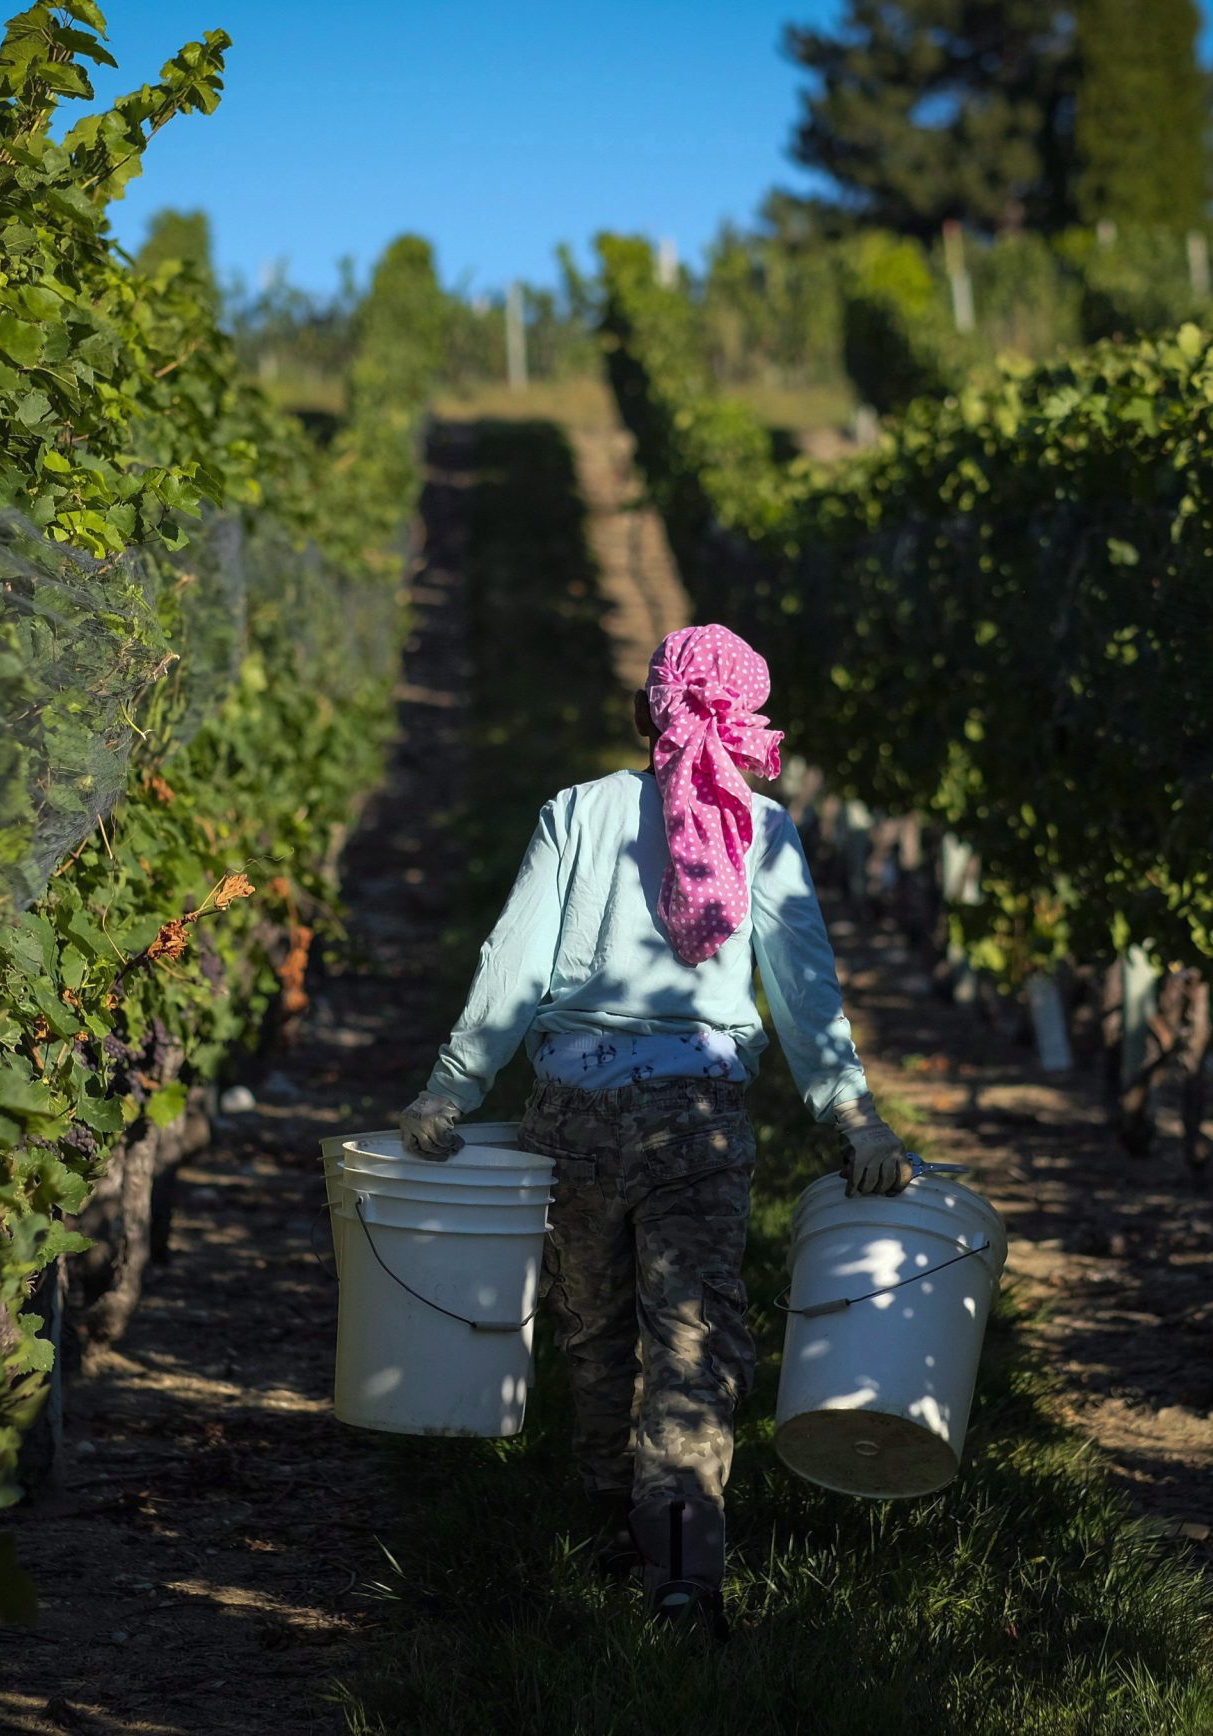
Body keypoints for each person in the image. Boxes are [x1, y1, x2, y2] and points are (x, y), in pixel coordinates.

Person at [396, 623, 907, 1637]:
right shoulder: (760, 829)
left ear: (646, 711)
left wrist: (450, 1086)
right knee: (692, 1328)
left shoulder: (575, 811)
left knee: (594, 1325)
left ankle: (600, 1518)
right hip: (699, 1122)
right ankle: (680, 1558)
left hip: (574, 1116)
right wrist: (852, 1115)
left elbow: (514, 961)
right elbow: (806, 991)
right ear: (745, 720)